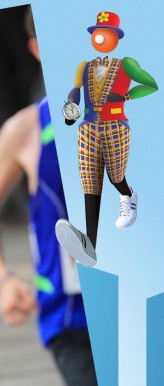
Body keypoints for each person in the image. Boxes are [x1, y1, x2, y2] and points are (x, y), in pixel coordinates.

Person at [0, 8, 103, 386]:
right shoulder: (24, 130)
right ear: (36, 49)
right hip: (69, 311)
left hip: (137, 297)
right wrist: (3, 277)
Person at [56, 11, 158, 267]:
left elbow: (151, 84)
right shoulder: (84, 66)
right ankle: (90, 245)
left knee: (115, 175)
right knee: (90, 183)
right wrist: (70, 109)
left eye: (105, 33)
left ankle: (128, 195)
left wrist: (126, 97)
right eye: (97, 33)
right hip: (88, 127)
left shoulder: (126, 64)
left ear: (115, 37)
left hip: (116, 125)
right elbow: (75, 92)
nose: (100, 37)